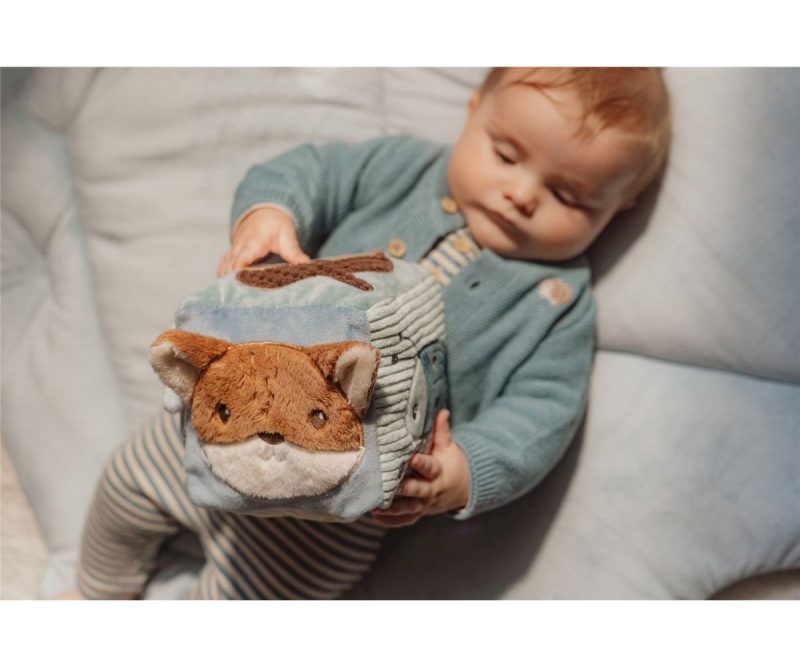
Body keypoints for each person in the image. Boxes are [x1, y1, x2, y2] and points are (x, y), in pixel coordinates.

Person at [75, 67, 671, 599]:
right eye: (506, 154)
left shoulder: (558, 306)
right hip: (230, 416)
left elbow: (542, 414)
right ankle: (97, 594)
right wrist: (270, 214)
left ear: (619, 205)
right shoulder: (403, 168)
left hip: (338, 508)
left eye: (568, 196)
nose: (521, 195)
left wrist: (465, 471)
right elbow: (310, 172)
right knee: (127, 485)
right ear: (473, 111)